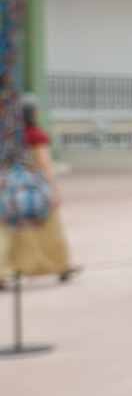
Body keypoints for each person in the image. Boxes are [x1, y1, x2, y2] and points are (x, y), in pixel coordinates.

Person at [3, 101, 78, 284]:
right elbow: (44, 164)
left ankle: (6, 270)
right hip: (35, 190)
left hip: (10, 191)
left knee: (10, 232)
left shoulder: (8, 137)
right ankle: (61, 266)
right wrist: (54, 190)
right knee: (50, 229)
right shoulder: (35, 136)